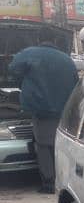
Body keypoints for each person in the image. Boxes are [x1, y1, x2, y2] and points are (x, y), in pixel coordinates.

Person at [9, 38, 78, 193]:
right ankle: (65, 180)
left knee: (44, 147)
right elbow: (76, 82)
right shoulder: (66, 59)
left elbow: (13, 67)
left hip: (41, 110)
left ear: (39, 39)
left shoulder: (30, 53)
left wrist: (22, 82)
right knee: (60, 145)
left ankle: (49, 184)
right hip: (64, 110)